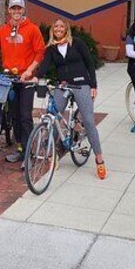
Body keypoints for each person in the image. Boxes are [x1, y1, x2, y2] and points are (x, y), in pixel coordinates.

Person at [0, 0, 45, 163]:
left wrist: (29, 70)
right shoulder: (4, 29)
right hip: (9, 79)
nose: (16, 11)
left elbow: (40, 52)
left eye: (19, 8)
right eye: (13, 8)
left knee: (25, 115)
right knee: (14, 115)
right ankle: (21, 147)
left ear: (23, 10)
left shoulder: (32, 29)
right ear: (9, 10)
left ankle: (28, 152)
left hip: (26, 80)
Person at [35, 19, 106, 179]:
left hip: (82, 84)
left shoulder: (77, 43)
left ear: (66, 29)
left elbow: (89, 63)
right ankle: (53, 155)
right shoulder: (51, 49)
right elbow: (44, 66)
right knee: (52, 116)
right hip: (63, 85)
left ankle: (99, 159)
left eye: (61, 26)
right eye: (55, 26)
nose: (58, 29)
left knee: (88, 120)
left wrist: (93, 86)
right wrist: (34, 77)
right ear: (52, 30)